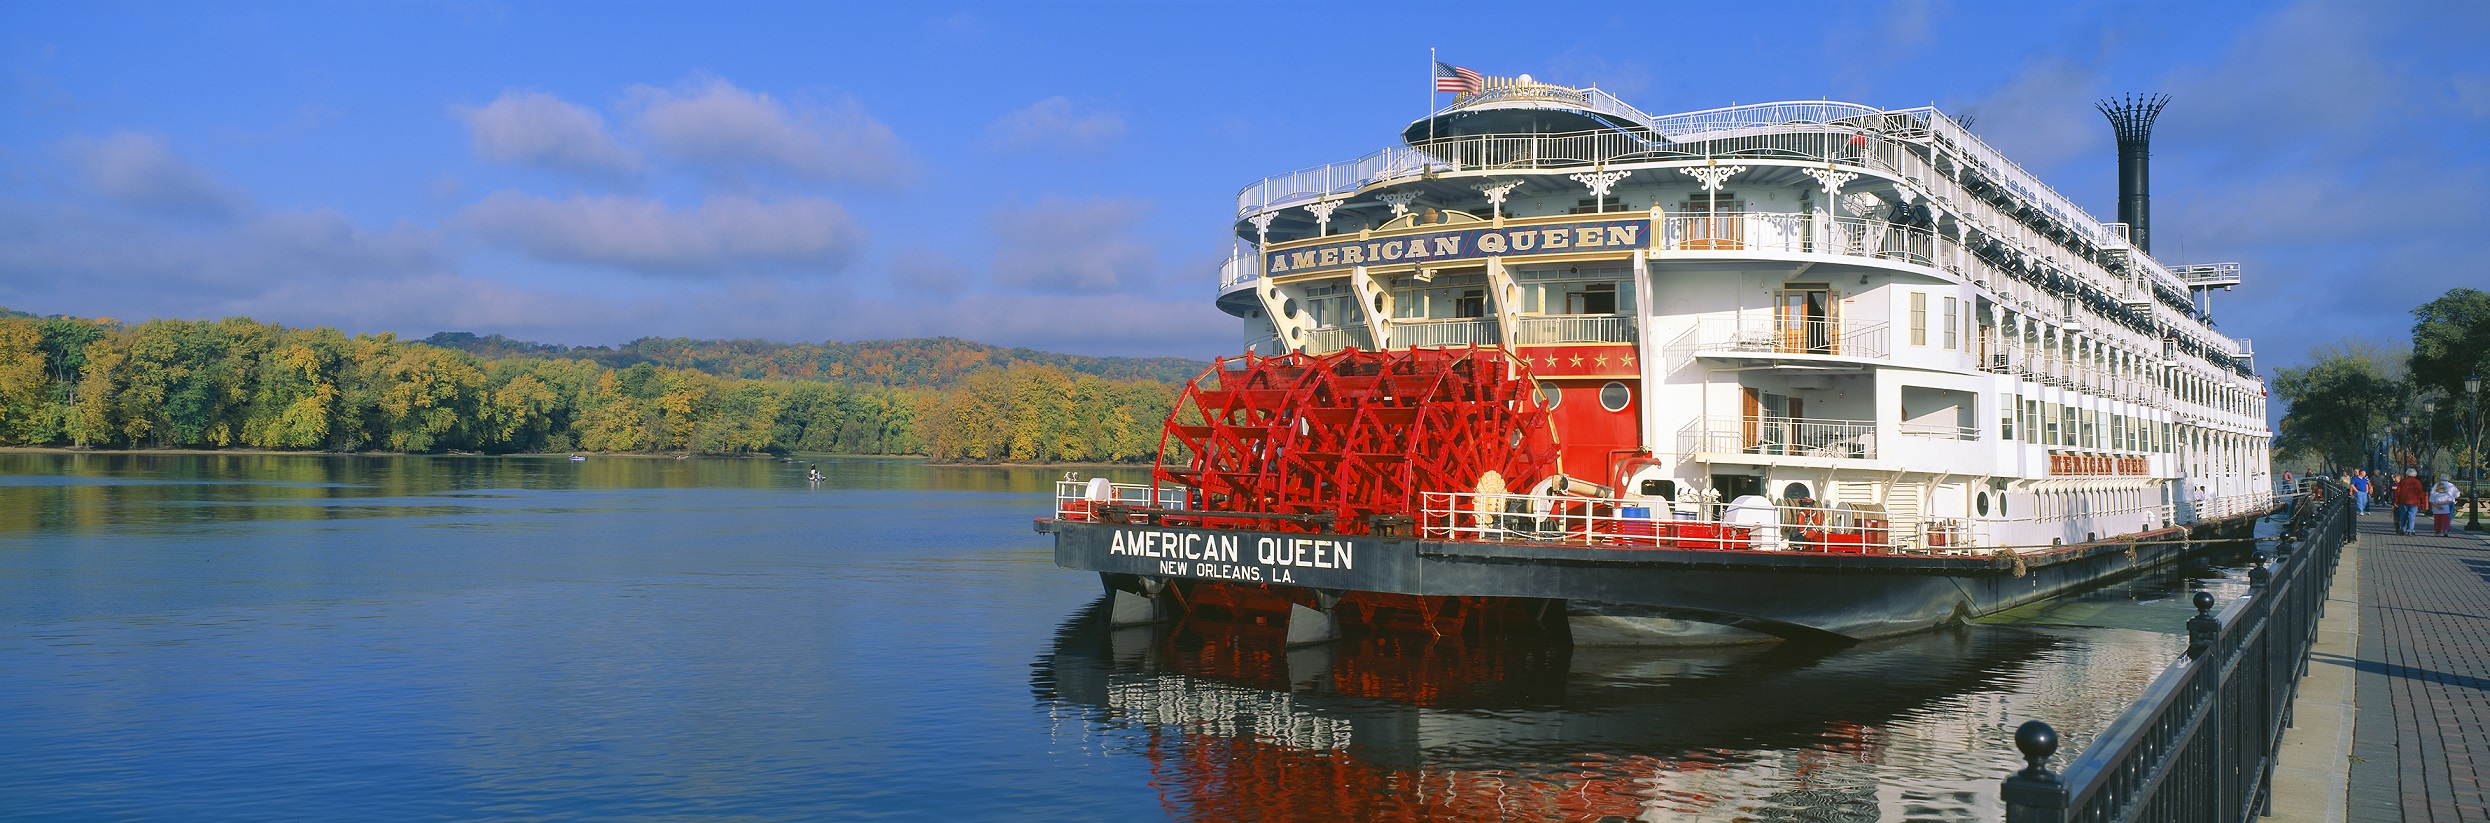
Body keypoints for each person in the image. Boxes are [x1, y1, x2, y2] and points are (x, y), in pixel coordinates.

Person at [2393, 468, 2427, 535]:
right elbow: (2420, 493)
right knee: (2411, 516)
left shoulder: (2402, 482)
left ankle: (2402, 529)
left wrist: (2396, 501)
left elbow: (2398, 492)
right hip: (2414, 501)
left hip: (2403, 501)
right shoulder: (2417, 482)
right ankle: (2410, 530)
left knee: (2403, 515)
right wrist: (2422, 502)